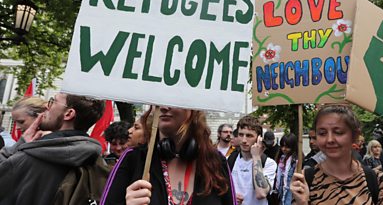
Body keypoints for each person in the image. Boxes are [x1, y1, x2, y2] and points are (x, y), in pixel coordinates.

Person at [101, 106, 235, 205]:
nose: (164, 107)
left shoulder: (216, 161)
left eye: (174, 100)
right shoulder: (133, 159)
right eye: (158, 102)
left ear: (194, 109)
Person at [0, 93, 106, 205]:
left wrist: (20, 144)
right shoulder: (98, 162)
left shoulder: (28, 158)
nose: (46, 106)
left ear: (68, 114)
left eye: (53, 101)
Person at [290, 105, 383, 205]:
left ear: (355, 136)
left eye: (338, 132)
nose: (329, 139)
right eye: (322, 133)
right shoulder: (304, 181)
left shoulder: (378, 181)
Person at [228, 115, 277, 205]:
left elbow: (261, 193)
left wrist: (256, 156)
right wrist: (231, 197)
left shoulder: (269, 163)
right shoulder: (230, 160)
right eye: (241, 135)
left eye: (249, 136)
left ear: (258, 138)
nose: (244, 140)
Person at [275, 133, 298, 205]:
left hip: (290, 191)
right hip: (281, 190)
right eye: (282, 146)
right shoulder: (282, 158)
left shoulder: (296, 161)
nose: (284, 149)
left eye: (287, 147)